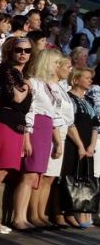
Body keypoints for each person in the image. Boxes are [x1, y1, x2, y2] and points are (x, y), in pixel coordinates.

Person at [0, 37, 32, 234]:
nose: (23, 54)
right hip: (4, 121)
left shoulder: (22, 74)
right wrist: (28, 86)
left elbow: (26, 108)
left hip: (18, 125)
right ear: (11, 51)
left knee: (3, 173)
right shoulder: (6, 69)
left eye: (27, 51)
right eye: (18, 50)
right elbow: (17, 97)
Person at [13, 48, 63, 231]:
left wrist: (57, 141)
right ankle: (19, 217)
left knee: (36, 175)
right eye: (56, 62)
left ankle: (26, 216)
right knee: (28, 174)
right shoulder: (33, 82)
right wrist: (27, 136)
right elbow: (30, 110)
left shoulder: (52, 86)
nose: (58, 66)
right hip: (36, 128)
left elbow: (55, 114)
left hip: (46, 129)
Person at [32, 55, 73, 228]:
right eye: (66, 65)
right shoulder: (44, 84)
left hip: (61, 131)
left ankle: (41, 214)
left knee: (50, 178)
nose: (69, 69)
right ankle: (33, 213)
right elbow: (54, 114)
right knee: (42, 176)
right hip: (51, 132)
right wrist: (57, 140)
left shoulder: (59, 87)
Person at [56, 67, 98, 229]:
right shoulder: (69, 98)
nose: (90, 80)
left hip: (88, 146)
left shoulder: (89, 101)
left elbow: (95, 124)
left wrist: (91, 146)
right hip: (73, 144)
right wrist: (80, 145)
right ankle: (65, 212)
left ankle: (81, 211)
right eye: (86, 78)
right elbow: (69, 122)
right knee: (70, 176)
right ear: (76, 80)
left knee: (84, 178)